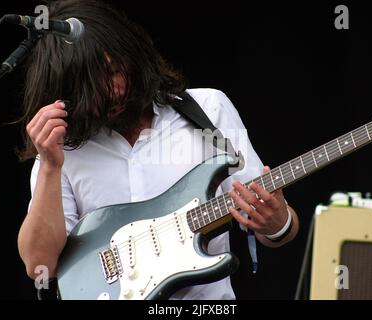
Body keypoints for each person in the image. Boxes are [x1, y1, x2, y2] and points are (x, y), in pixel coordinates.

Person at [17, 0, 299, 300]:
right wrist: (48, 165)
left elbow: (273, 223)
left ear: (132, 54)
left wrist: (278, 222)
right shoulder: (61, 155)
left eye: (114, 71)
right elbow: (40, 266)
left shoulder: (209, 110)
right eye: (93, 86)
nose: (114, 90)